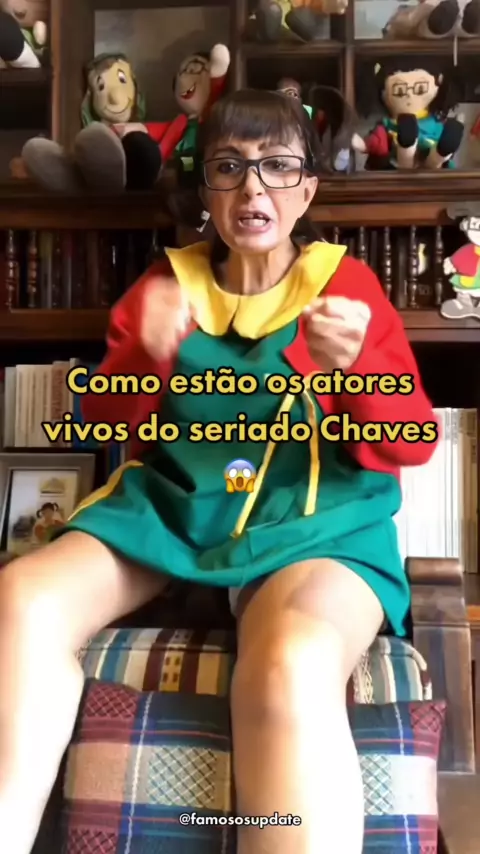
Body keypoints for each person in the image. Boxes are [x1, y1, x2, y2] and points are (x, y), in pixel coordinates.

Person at [0, 88, 438, 854]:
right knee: (19, 600)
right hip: (173, 515)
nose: (252, 186)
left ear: (308, 188)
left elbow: (412, 442)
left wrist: (361, 371)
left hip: (316, 526)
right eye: (230, 166)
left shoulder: (348, 289)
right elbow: (103, 422)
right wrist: (143, 355)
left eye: (277, 166)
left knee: (290, 662)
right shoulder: (164, 287)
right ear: (206, 190)